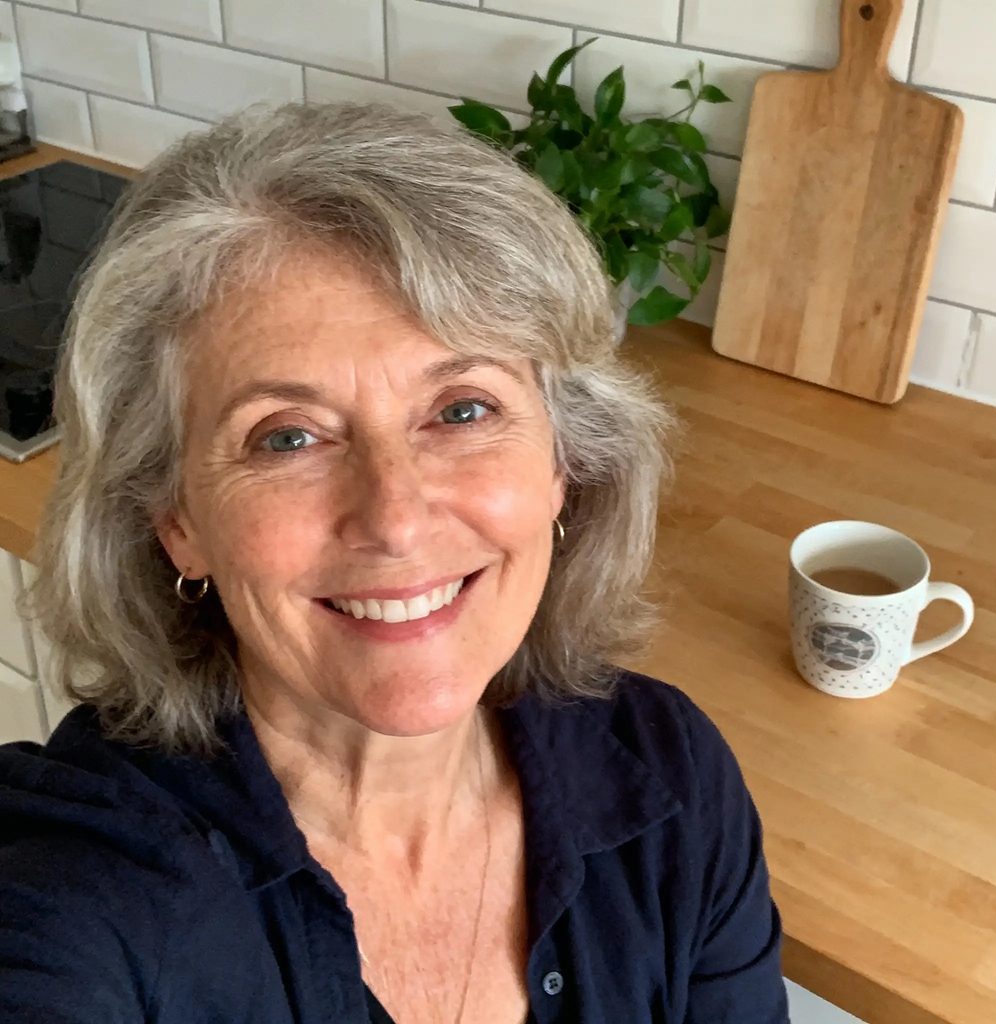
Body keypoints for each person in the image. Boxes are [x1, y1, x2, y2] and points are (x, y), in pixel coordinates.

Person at [0, 103, 788, 1024]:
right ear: (177, 521)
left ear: (565, 463)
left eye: (461, 410)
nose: (397, 519)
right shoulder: (81, 891)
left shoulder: (670, 776)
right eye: (287, 436)